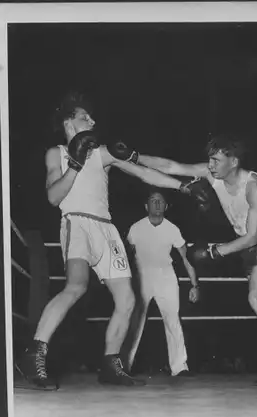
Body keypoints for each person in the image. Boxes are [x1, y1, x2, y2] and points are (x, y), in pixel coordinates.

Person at [21, 91, 206, 389]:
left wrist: (182, 187)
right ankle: (36, 352)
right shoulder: (56, 153)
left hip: (106, 229)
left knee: (128, 299)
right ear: (70, 123)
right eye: (85, 117)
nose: (93, 120)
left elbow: (145, 173)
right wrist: (76, 164)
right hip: (77, 223)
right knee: (76, 286)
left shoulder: (102, 152)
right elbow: (54, 197)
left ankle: (111, 364)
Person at [130, 133, 257, 385]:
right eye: (210, 160)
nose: (210, 166)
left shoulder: (255, 187)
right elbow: (172, 167)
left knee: (256, 297)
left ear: (234, 161)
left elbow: (253, 238)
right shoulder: (212, 174)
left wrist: (213, 251)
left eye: (217, 160)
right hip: (246, 245)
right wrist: (135, 156)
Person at [124, 190, 200, 376]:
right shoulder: (135, 228)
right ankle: (124, 366)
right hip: (141, 278)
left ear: (166, 207)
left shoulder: (173, 229)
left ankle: (180, 367)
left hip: (166, 277)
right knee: (134, 322)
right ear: (146, 206)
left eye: (161, 201)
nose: (157, 204)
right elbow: (125, 256)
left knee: (173, 321)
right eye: (153, 201)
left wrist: (194, 284)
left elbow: (186, 257)